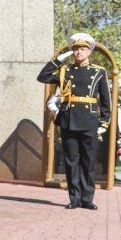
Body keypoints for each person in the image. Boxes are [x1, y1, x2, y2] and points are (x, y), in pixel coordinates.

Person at [37, 33, 111, 209]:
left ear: (89, 52)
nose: (79, 52)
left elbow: (105, 100)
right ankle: (74, 199)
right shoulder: (65, 70)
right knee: (71, 161)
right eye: (76, 49)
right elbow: (42, 77)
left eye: (82, 49)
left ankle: (87, 199)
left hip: (90, 120)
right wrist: (58, 61)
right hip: (69, 119)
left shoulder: (99, 71)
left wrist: (104, 122)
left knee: (88, 161)